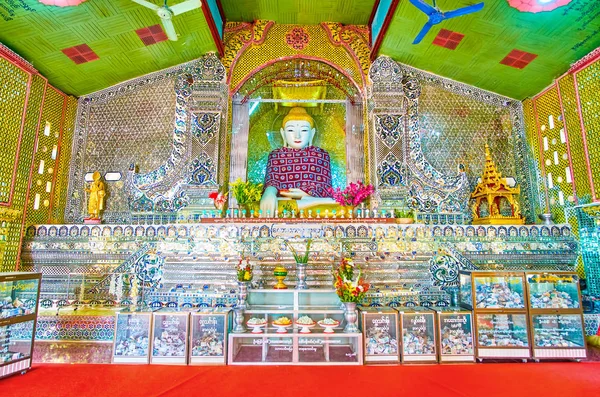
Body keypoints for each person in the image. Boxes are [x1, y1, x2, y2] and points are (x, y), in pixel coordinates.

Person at [260, 107, 337, 215]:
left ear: (312, 133)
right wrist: (269, 192)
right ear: (283, 133)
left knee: (334, 203)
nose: (297, 135)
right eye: (290, 130)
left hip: (314, 203)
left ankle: (302, 203)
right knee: (269, 205)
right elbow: (271, 181)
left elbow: (325, 188)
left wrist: (305, 194)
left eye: (304, 130)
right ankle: (299, 204)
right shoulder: (276, 155)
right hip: (283, 202)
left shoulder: (320, 155)